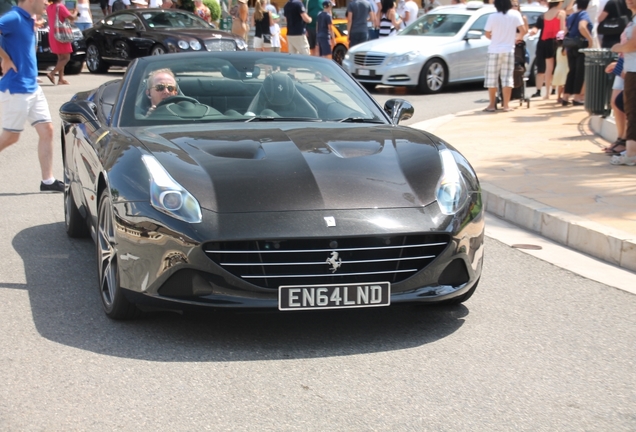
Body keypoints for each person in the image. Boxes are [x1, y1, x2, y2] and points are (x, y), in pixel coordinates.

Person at [0, 0, 64, 192]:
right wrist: (5, 58)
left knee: (47, 130)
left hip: (32, 87)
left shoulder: (28, 19)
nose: (47, 2)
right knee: (11, 137)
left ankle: (48, 181)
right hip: (16, 88)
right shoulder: (13, 17)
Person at [483, 0, 527, 112]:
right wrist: (517, 39)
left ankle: (492, 105)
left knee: (492, 78)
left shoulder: (492, 16)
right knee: (507, 77)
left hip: (494, 50)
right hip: (509, 50)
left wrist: (496, 38)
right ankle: (506, 105)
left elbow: (487, 34)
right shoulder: (515, 14)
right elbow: (523, 30)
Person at [610, 0, 636, 165]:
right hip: (630, 69)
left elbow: (633, 44)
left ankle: (631, 154)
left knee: (632, 110)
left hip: (634, 71)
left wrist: (617, 47)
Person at [562, 0, 593, 106]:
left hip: (571, 46)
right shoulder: (584, 14)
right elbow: (582, 27)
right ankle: (577, 97)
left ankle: (565, 97)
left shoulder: (571, 16)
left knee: (572, 71)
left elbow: (565, 31)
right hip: (581, 45)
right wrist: (590, 39)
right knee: (580, 72)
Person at [532, 0, 566, 98]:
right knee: (558, 66)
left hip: (544, 41)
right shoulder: (561, 13)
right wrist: (562, 43)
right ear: (559, 2)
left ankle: (546, 93)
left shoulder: (545, 14)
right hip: (555, 41)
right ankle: (556, 91)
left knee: (548, 68)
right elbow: (562, 29)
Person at [45, 0, 76, 86]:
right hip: (61, 33)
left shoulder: (49, 7)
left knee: (60, 57)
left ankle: (61, 78)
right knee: (66, 58)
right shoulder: (60, 6)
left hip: (53, 33)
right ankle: (52, 73)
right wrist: (76, 11)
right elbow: (72, 17)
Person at [552, 30, 570, 103]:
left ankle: (559, 96)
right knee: (564, 84)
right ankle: (563, 97)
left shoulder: (558, 49)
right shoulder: (564, 49)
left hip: (559, 68)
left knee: (560, 84)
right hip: (564, 68)